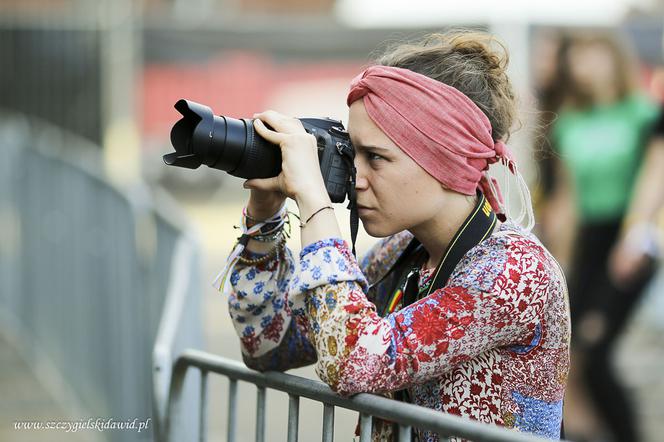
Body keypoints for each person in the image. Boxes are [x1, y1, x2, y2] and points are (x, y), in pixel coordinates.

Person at [221, 31, 570, 441]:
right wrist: (266, 218)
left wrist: (314, 203)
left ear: (444, 159)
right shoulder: (398, 254)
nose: (356, 179)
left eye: (376, 158)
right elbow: (267, 346)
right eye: (353, 154)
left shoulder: (515, 272)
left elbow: (353, 360)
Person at [541, 32, 662, 442]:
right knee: (570, 349)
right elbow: (569, 201)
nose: (582, 66)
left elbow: (653, 181)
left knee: (598, 350)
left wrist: (635, 236)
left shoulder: (642, 114)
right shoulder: (570, 121)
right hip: (588, 243)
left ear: (613, 57)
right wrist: (559, 264)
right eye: (576, 58)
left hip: (627, 238)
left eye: (591, 55)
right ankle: (589, 431)